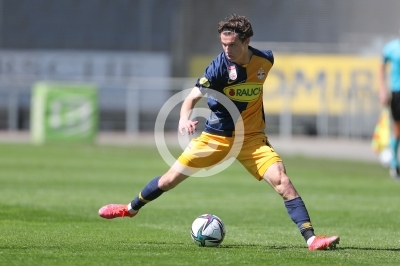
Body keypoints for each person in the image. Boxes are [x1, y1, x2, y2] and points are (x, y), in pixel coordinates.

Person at [98, 14, 340, 250]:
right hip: (215, 138)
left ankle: (311, 240)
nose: (227, 49)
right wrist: (185, 118)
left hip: (252, 140)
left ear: (246, 42)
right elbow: (191, 97)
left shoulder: (265, 61)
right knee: (169, 180)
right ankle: (129, 209)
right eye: (224, 44)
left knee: (283, 182)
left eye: (232, 44)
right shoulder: (217, 69)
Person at [379, 26, 400, 179]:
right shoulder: (392, 48)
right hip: (397, 92)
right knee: (397, 130)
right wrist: (382, 90)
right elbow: (381, 68)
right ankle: (394, 164)